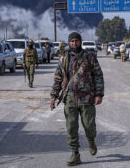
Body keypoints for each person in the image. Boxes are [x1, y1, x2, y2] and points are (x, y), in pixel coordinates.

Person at [50, 32, 104, 166]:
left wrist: (99, 94)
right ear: (69, 42)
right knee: (71, 127)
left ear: (81, 42)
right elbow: (58, 78)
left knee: (89, 126)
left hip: (87, 99)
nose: (74, 43)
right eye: (72, 41)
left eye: (76, 41)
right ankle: (75, 154)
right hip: (69, 98)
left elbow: (98, 75)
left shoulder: (89, 57)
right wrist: (53, 96)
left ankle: (91, 141)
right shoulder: (63, 58)